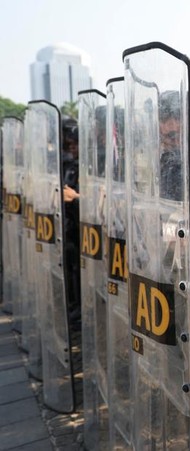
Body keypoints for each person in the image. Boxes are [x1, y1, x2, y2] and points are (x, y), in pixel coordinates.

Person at [61, 116, 82, 328]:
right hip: (71, 226)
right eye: (68, 145)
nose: (71, 148)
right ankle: (75, 305)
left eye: (74, 144)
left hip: (83, 229)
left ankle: (81, 308)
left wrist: (75, 197)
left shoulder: (90, 165)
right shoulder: (71, 166)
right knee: (73, 268)